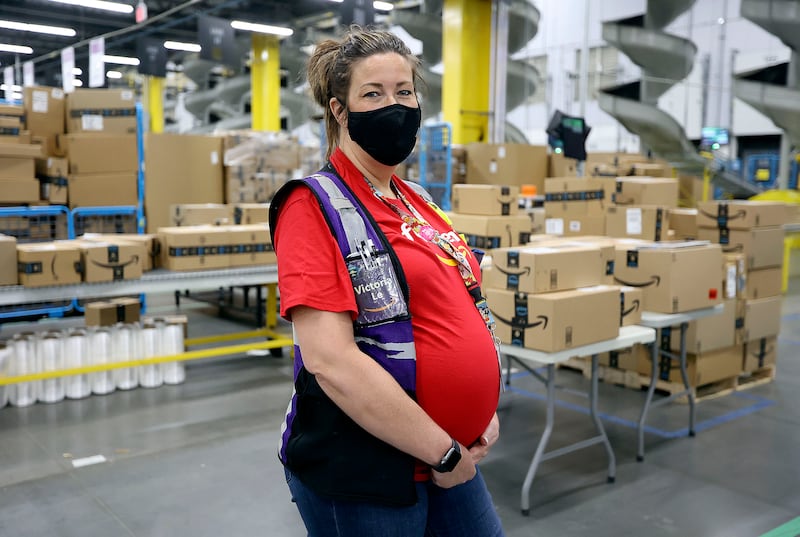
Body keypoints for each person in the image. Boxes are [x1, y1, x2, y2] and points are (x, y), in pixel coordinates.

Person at [269, 26, 504, 537]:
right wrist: (443, 453)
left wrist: (482, 412)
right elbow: (331, 362)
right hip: (369, 470)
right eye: (372, 94)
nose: (394, 105)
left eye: (404, 92)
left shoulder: (415, 197)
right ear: (339, 111)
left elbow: (464, 299)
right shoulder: (312, 206)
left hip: (453, 454)